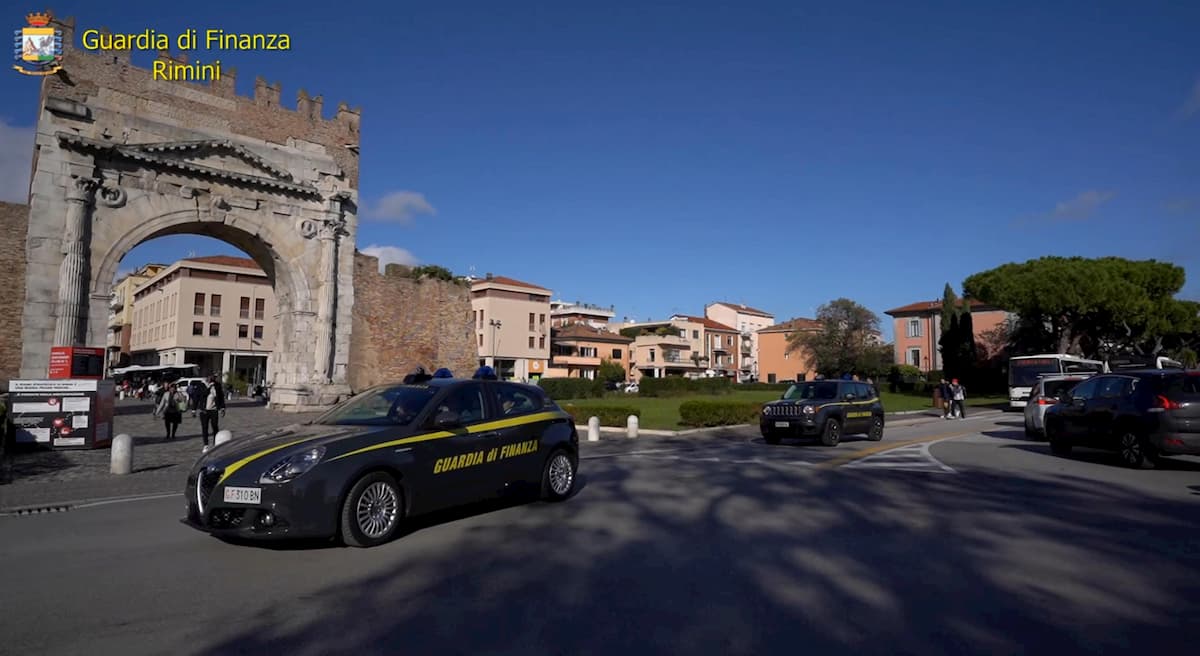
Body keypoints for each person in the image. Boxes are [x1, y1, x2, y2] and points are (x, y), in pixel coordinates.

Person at [198, 375, 226, 446]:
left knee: (215, 426)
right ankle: (206, 445)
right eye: (210, 377)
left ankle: (215, 443)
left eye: (213, 377)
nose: (211, 378)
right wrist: (193, 409)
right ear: (207, 377)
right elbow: (203, 394)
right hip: (204, 410)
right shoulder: (202, 385)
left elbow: (221, 396)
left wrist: (222, 408)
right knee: (205, 428)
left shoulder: (217, 385)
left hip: (214, 409)